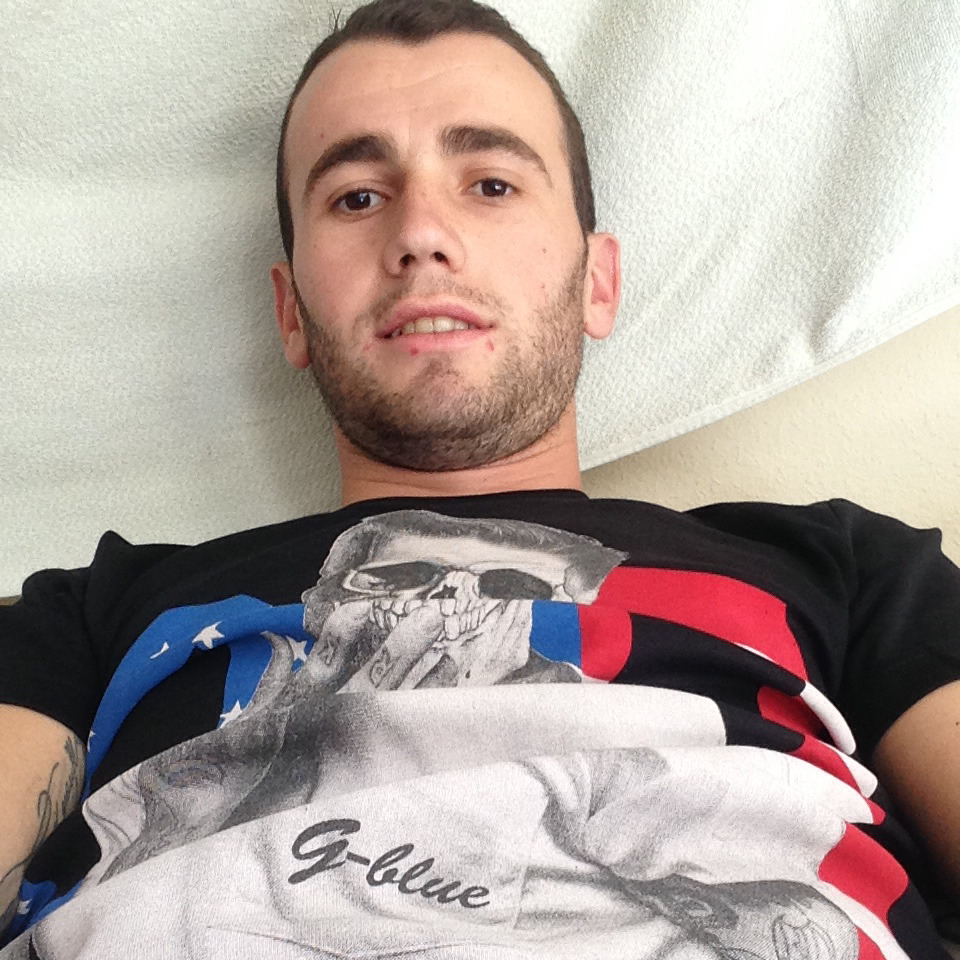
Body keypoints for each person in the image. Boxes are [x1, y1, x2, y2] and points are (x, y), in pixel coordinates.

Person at [1, 0, 959, 956]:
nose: (421, 232)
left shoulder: (848, 569)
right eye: (357, 198)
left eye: (492, 184)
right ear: (291, 314)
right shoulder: (97, 611)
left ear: (597, 282)